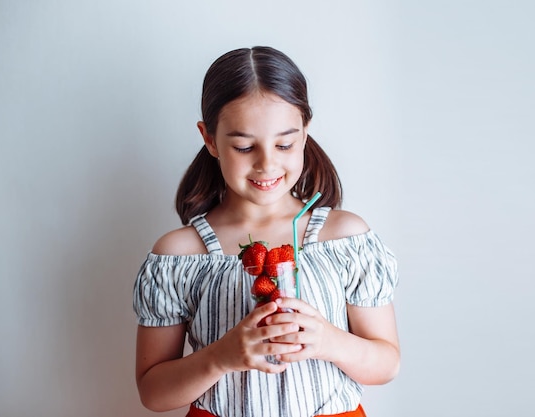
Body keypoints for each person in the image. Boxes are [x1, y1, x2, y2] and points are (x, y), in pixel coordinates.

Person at [133, 46, 400, 417]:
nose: (267, 163)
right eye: (244, 146)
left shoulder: (345, 238)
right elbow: (153, 392)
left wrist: (327, 340)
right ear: (209, 139)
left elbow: (387, 363)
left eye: (285, 143)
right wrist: (220, 358)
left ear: (305, 134)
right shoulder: (180, 255)